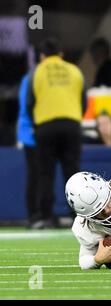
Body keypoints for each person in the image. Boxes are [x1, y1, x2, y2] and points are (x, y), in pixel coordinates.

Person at [27, 38, 85, 228]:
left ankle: (46, 217)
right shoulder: (75, 71)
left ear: (42, 56)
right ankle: (77, 217)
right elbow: (83, 101)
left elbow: (30, 102)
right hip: (71, 125)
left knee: (45, 174)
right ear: (61, 54)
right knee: (73, 173)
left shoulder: (36, 72)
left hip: (45, 127)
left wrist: (38, 123)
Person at [17, 74, 41, 229]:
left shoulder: (33, 77)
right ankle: (33, 215)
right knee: (35, 175)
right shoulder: (31, 78)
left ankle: (43, 215)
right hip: (31, 133)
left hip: (41, 132)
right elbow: (28, 103)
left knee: (43, 176)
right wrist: (36, 124)